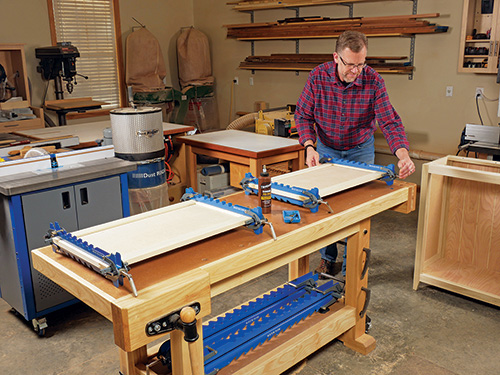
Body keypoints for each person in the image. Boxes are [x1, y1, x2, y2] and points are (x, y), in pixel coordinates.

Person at [294, 30, 415, 277]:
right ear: (336, 58)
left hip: (360, 150)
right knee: (325, 204)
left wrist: (403, 154)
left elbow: (389, 121)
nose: (356, 71)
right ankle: (327, 258)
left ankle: (352, 264)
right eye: (350, 64)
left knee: (357, 209)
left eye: (361, 64)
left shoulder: (374, 81)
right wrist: (309, 146)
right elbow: (303, 115)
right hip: (326, 149)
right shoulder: (318, 77)